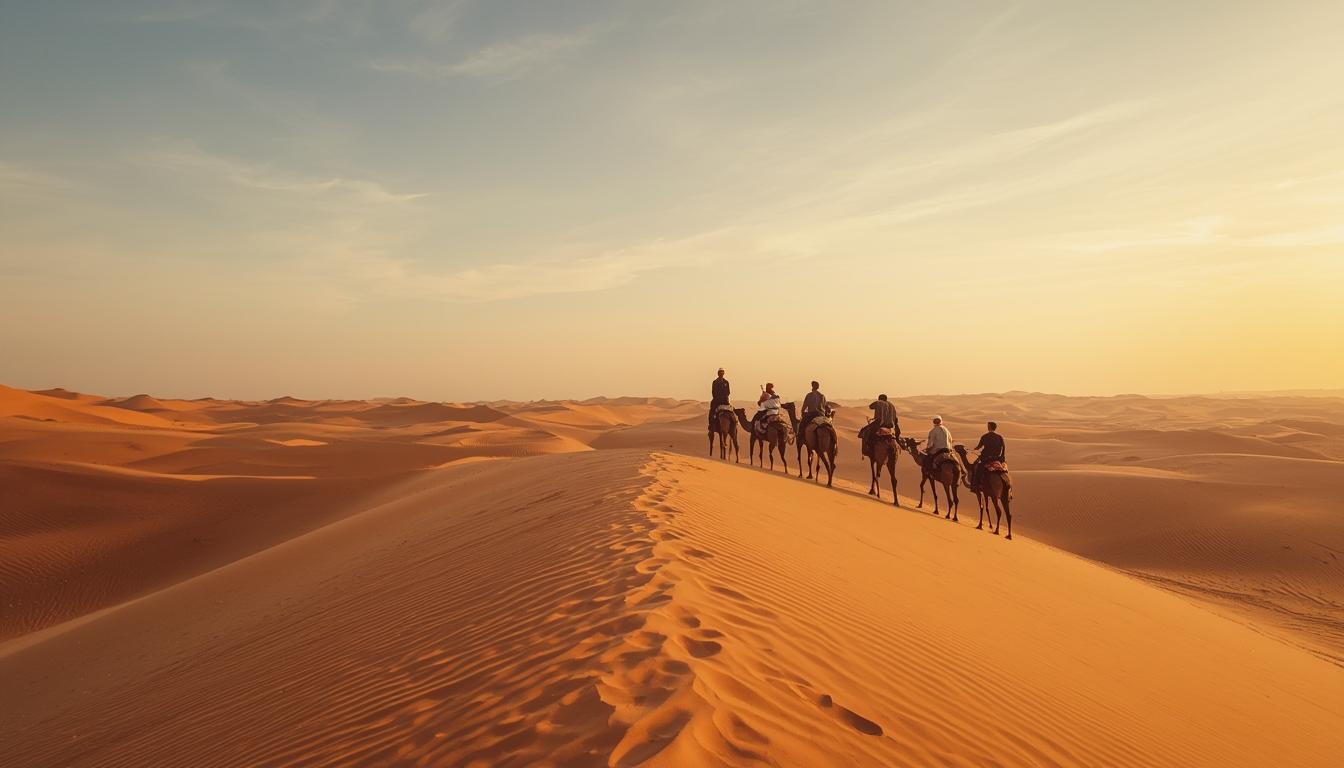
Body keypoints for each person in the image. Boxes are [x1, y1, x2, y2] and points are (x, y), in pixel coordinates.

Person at [971, 421, 1006, 487]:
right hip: (997, 458)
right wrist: (1001, 457)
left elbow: (979, 447)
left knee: (978, 468)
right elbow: (1003, 448)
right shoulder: (1000, 437)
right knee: (1004, 470)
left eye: (988, 426)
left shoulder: (985, 436)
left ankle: (975, 485)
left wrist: (973, 450)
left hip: (986, 458)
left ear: (989, 427)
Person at [708, 368, 731, 433]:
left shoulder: (726, 382)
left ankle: (734, 424)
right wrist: (718, 397)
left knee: (731, 411)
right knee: (712, 411)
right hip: (717, 400)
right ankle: (711, 425)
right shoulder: (715, 382)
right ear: (718, 373)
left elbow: (728, 392)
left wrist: (725, 397)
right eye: (720, 372)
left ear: (723, 373)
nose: (721, 374)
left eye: (722, 372)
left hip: (725, 401)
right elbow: (713, 392)